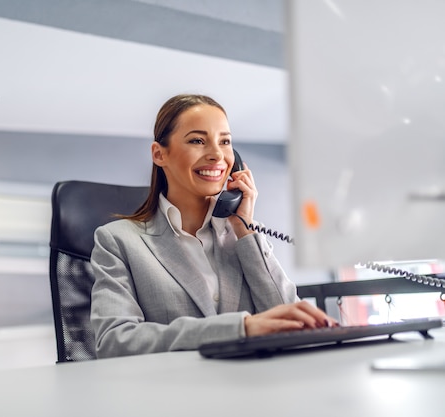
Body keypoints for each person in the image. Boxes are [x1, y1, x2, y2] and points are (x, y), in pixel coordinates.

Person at [90, 94, 337, 358]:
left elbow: (293, 324)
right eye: (197, 140)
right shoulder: (117, 241)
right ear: (159, 154)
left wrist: (245, 229)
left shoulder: (244, 236)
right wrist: (239, 328)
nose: (217, 155)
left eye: (225, 142)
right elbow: (114, 341)